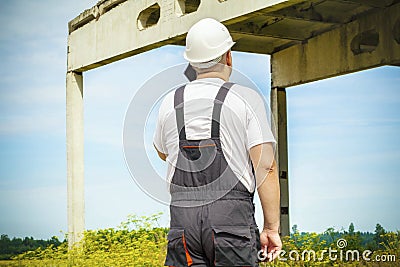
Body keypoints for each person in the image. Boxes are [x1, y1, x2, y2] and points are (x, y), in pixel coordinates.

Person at [153, 18, 282, 267]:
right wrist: (271, 227)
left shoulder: (170, 101)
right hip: (230, 223)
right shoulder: (245, 99)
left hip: (183, 225)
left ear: (192, 62)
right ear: (228, 56)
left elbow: (162, 152)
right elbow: (266, 166)